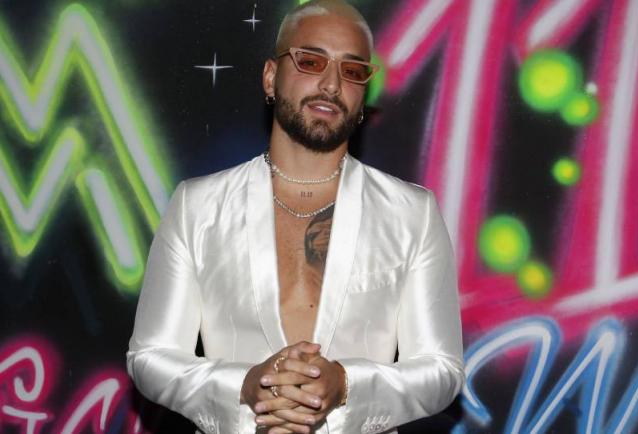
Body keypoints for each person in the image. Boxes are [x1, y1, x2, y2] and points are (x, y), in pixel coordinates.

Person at [126, 1, 464, 433]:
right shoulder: (198, 206)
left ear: (364, 94)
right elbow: (150, 357)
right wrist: (244, 388)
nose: (331, 84)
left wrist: (346, 384)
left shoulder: (411, 213)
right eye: (310, 61)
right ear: (271, 77)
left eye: (352, 70)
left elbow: (442, 369)